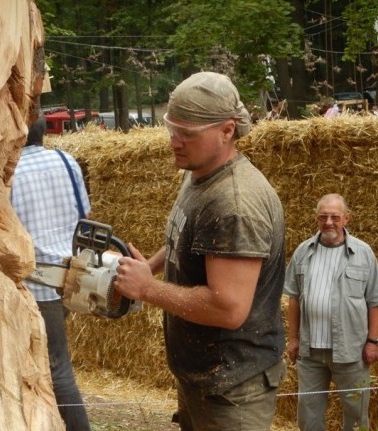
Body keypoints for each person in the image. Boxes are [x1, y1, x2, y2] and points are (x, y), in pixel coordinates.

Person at [113, 71, 287, 430]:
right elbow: (183, 241)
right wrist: (150, 266)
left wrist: (147, 288)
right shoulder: (199, 173)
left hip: (233, 389)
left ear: (227, 130)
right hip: (205, 378)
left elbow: (228, 309)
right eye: (171, 128)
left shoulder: (235, 204)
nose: (174, 141)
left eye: (186, 134)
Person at [11, 115, 92, 430]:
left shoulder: (10, 173)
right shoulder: (65, 159)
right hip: (71, 277)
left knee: (56, 369)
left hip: (35, 284)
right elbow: (85, 215)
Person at [284, 193, 378, 431]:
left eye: (334, 217)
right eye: (323, 217)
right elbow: (293, 300)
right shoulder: (303, 252)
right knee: (308, 415)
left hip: (351, 352)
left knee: (355, 413)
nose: (329, 222)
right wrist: (293, 339)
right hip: (310, 352)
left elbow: (376, 301)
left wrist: (373, 341)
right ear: (316, 219)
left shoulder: (363, 253)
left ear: (346, 219)